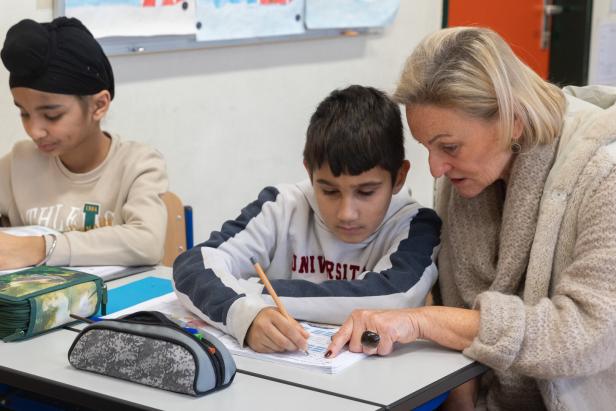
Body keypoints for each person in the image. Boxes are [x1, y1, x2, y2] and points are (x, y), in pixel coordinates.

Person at [326, 27, 616, 411]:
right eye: (427, 146)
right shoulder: (465, 177)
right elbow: (449, 304)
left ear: (512, 119)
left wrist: (423, 321)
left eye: (448, 147)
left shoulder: (604, 174)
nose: (435, 168)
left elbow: (590, 334)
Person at [173, 85, 441, 353]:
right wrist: (246, 314)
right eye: (329, 191)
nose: (347, 212)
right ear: (309, 172)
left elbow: (395, 297)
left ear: (399, 177)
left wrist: (247, 293)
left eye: (366, 192)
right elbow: (192, 268)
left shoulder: (416, 224)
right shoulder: (282, 205)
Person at [0, 17, 168, 270]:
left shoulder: (138, 164)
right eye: (24, 113)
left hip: (115, 302)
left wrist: (43, 248)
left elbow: (147, 242)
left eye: (52, 115)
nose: (35, 131)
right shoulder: (18, 162)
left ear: (99, 105)